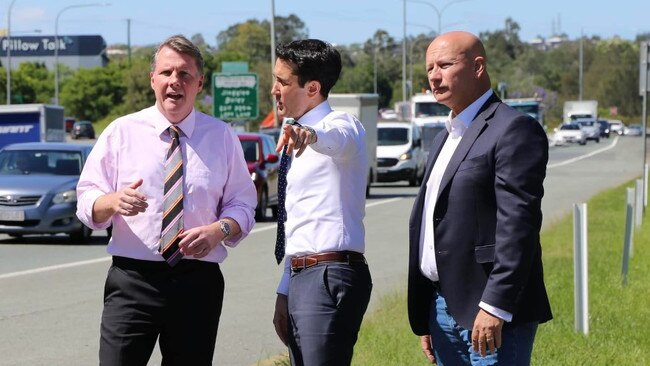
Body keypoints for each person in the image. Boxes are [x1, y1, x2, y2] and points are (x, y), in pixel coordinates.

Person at [76, 35, 257, 365]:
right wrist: (113, 200)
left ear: (199, 83)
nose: (175, 81)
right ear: (152, 80)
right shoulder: (121, 132)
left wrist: (220, 229)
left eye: (185, 74)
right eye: (167, 73)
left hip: (197, 284)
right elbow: (87, 199)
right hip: (133, 282)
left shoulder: (222, 136)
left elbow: (243, 205)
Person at [407, 31, 553, 365]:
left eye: (445, 64)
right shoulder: (443, 139)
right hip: (442, 308)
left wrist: (495, 305)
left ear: (477, 67)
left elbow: (519, 226)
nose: (433, 75)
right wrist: (428, 311)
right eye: (429, 67)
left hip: (489, 310)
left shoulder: (513, 129)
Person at [270, 39, 372, 366]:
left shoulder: (341, 126)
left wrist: (310, 136)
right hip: (301, 274)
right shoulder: (292, 135)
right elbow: (299, 223)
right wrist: (284, 290)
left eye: (283, 82)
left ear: (312, 88)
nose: (274, 90)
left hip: (330, 273)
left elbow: (336, 141)